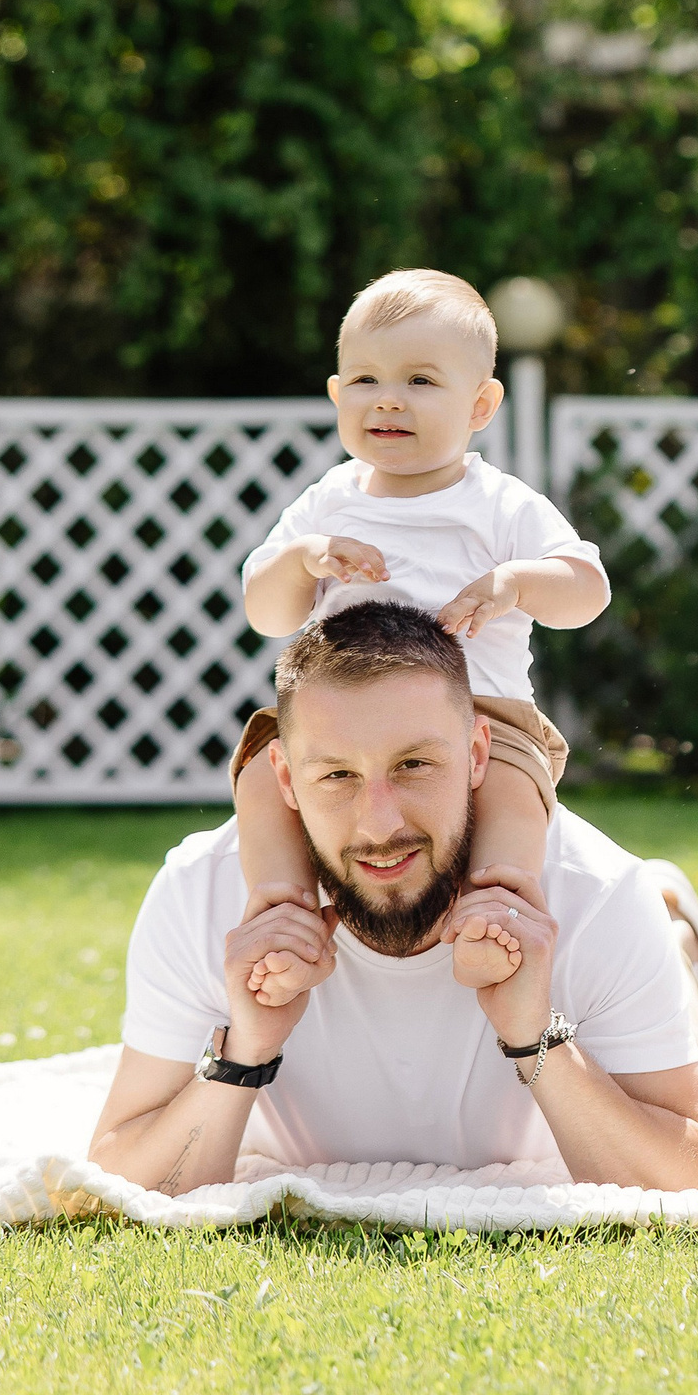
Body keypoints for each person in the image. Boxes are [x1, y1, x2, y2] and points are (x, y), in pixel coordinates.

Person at [88, 599, 698, 1195]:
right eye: (337, 775)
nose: (379, 825)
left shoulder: (596, 893)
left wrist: (535, 1035)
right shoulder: (202, 891)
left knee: (667, 956)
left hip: (631, 928)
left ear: (478, 753)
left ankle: (676, 929)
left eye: (414, 766)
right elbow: (119, 1176)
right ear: (284, 776)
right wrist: (243, 1054)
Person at [232, 269, 610, 1004]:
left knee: (508, 790)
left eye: (421, 380)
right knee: (258, 770)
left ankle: (498, 908)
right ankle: (281, 909)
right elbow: (265, 610)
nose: (390, 398)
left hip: (481, 719)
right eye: (367, 379)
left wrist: (515, 582)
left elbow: (587, 589)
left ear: (481, 405)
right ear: (338, 396)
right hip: (342, 732)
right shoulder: (327, 503)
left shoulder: (498, 504)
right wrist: (305, 558)